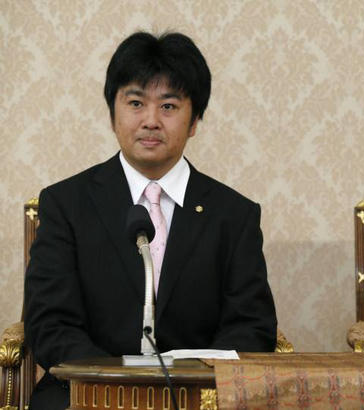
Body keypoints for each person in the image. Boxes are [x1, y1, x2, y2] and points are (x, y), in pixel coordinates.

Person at [24, 32, 277, 409]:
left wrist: (192, 388)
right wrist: (118, 387)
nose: (151, 121)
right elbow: (49, 324)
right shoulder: (65, 204)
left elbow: (252, 327)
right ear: (113, 114)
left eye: (169, 106)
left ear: (194, 120)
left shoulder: (234, 215)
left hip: (197, 398)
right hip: (87, 393)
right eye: (136, 103)